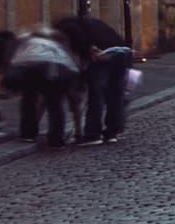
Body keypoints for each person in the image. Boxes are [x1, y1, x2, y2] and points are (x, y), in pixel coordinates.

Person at [56, 11, 134, 143]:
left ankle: (93, 134)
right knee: (115, 94)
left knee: (96, 94)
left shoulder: (68, 28)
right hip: (123, 54)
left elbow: (84, 49)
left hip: (103, 57)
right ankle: (112, 133)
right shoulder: (93, 24)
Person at [0, 27, 82, 148]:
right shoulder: (56, 44)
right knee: (55, 105)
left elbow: (15, 59)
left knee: (28, 100)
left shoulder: (28, 41)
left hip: (32, 67)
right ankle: (56, 140)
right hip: (59, 69)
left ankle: (28, 134)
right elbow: (70, 62)